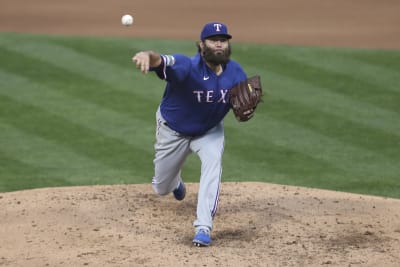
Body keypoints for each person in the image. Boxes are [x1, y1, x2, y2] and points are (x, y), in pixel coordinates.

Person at [132, 22, 247, 247]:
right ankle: (175, 182)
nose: (219, 45)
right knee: (161, 188)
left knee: (213, 164)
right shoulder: (187, 66)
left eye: (223, 40)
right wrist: (148, 55)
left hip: (209, 131)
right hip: (173, 131)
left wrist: (246, 107)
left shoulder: (236, 72)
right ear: (200, 44)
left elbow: (242, 103)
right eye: (213, 40)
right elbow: (161, 61)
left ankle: (203, 226)